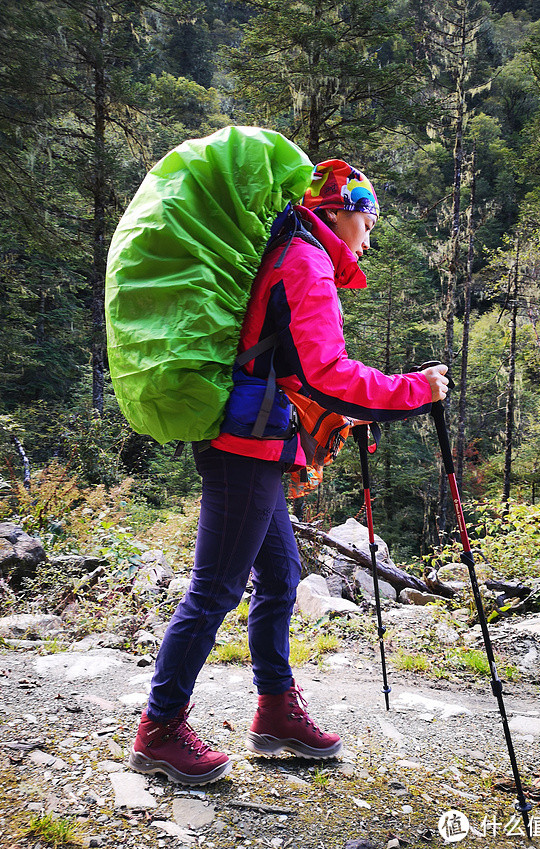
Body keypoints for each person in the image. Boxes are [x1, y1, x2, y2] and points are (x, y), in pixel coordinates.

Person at [129, 159, 449, 785]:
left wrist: (334, 415)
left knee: (280, 575)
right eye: (369, 216)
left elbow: (291, 364)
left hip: (261, 440)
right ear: (342, 212)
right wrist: (413, 389)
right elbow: (327, 369)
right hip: (243, 448)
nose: (371, 230)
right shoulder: (305, 261)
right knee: (214, 590)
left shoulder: (297, 253)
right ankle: (159, 730)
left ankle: (275, 712)